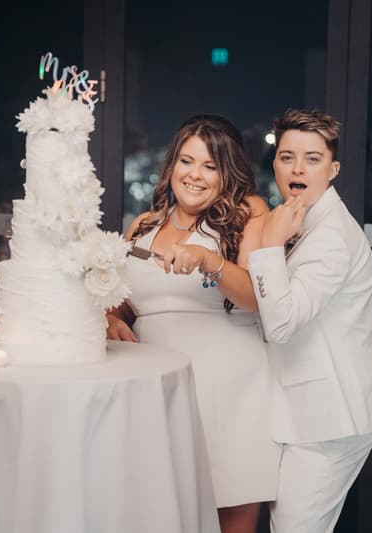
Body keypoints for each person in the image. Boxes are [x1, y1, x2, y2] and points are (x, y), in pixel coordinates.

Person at [107, 114, 278, 533]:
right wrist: (111, 317)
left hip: (227, 387)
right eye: (187, 161)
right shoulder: (142, 225)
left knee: (229, 512)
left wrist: (210, 260)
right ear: (171, 166)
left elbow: (258, 298)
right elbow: (128, 304)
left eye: (210, 165)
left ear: (228, 172)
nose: (195, 175)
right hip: (153, 391)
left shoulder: (248, 212)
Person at [246, 109, 372, 532]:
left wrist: (269, 245)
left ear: (332, 169)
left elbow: (281, 324)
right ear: (274, 164)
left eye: (312, 159)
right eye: (287, 156)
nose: (297, 167)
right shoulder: (307, 219)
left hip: (330, 417)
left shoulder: (330, 236)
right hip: (316, 411)